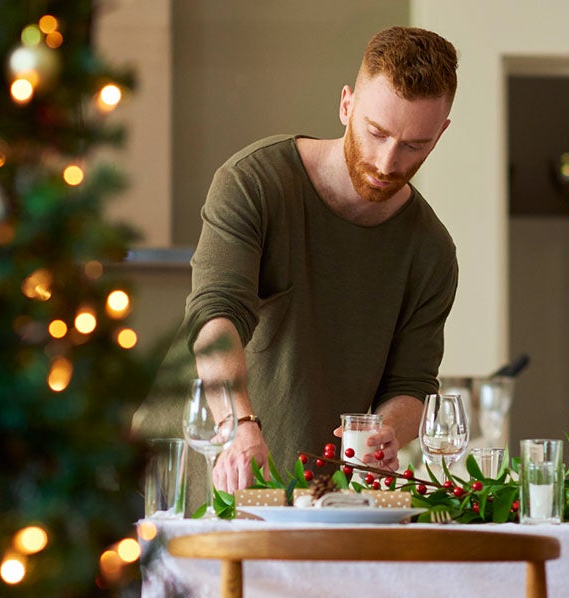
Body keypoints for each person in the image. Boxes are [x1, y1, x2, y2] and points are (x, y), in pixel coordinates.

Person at [135, 25, 459, 497]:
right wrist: (238, 425)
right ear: (346, 105)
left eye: (415, 145)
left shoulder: (431, 250)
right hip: (190, 467)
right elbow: (216, 316)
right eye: (376, 132)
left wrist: (385, 429)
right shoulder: (254, 183)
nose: (388, 162)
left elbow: (412, 383)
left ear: (440, 133)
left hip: (312, 498)